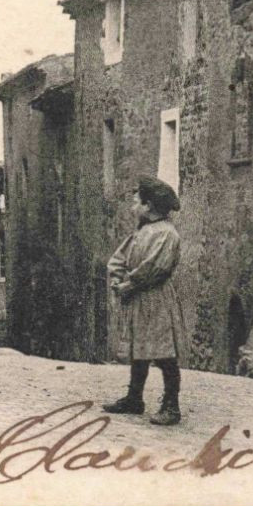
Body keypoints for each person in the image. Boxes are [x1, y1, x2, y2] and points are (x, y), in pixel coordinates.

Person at [103, 175, 187, 425]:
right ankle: (134, 398)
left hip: (157, 299)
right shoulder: (142, 232)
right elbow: (119, 259)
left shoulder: (167, 234)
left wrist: (128, 285)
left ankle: (172, 406)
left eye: (137, 201)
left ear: (148, 206)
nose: (133, 206)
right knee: (138, 349)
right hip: (138, 298)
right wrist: (117, 278)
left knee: (164, 353)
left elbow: (154, 269)